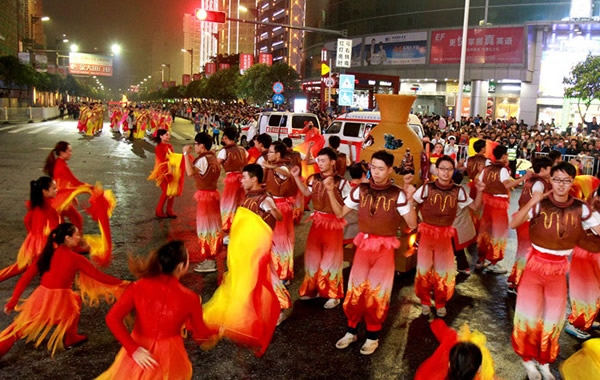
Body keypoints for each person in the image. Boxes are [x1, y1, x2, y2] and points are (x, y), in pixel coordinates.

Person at [510, 162, 600, 380]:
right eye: (557, 179)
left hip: (559, 269)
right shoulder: (540, 204)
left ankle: (545, 361)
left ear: (572, 182)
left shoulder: (582, 208)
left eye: (566, 180)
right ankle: (527, 359)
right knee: (528, 314)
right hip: (534, 266)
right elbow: (514, 223)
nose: (561, 185)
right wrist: (533, 200)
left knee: (553, 317)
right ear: (551, 180)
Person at [330, 150, 417, 355]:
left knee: (378, 292)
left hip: (385, 249)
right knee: (355, 289)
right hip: (363, 246)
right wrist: (328, 191)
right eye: (372, 167)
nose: (375, 172)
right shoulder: (360, 190)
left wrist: (411, 198)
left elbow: (412, 223)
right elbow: (341, 212)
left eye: (380, 168)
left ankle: (372, 337)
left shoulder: (398, 194)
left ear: (389, 170)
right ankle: (351, 331)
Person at [0, 223, 126, 357]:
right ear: (67, 238)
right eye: (76, 235)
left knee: (17, 330)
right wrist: (123, 283)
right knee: (73, 301)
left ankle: (71, 337)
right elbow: (100, 277)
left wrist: (13, 302)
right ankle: (70, 338)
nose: (79, 237)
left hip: (42, 297)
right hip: (60, 301)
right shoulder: (76, 259)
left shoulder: (46, 254)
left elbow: (24, 279)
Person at [97, 241, 217, 379]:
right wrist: (218, 330)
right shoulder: (191, 298)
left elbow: (112, 318)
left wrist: (133, 349)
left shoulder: (138, 287)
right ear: (181, 267)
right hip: (170, 356)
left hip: (140, 352)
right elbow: (201, 334)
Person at [412, 156, 484, 317]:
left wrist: (480, 190)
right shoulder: (426, 188)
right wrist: (416, 220)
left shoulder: (458, 190)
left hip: (445, 237)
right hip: (426, 235)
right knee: (423, 270)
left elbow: (475, 206)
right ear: (437, 170)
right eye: (442, 169)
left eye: (449, 169)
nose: (446, 172)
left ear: (453, 171)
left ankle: (440, 303)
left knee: (443, 272)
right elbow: (413, 202)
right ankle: (424, 301)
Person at [292, 148, 350, 309]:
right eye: (319, 160)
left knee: (331, 261)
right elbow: (305, 192)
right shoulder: (314, 178)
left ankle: (333, 294)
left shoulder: (343, 183)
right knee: (312, 258)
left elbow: (347, 207)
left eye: (323, 160)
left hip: (333, 224)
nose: (320, 163)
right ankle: (313, 290)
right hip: (317, 221)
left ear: (332, 162)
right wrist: (297, 177)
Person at [240, 164, 290, 325]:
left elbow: (279, 217)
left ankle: (280, 307)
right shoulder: (250, 196)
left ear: (254, 179)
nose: (242, 181)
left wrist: (274, 211)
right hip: (251, 244)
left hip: (261, 245)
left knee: (268, 277)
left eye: (245, 177)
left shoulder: (264, 199)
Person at [476, 145, 529, 273]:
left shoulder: (487, 169)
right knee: (499, 233)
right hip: (499, 204)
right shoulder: (503, 170)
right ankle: (493, 262)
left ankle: (481, 259)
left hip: (487, 202)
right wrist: (523, 178)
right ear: (504, 155)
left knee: (485, 231)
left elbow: (478, 180)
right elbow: (508, 185)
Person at [0, 177, 59, 283]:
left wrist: (32, 235)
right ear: (45, 191)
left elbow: (27, 220)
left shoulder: (37, 205)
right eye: (54, 188)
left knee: (23, 266)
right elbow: (54, 227)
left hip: (35, 243)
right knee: (23, 267)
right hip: (42, 245)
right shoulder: (48, 208)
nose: (57, 190)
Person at [507, 156, 552, 294]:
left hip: (523, 217)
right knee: (526, 253)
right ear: (543, 169)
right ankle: (519, 282)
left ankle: (516, 281)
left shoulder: (532, 180)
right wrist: (550, 193)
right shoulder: (539, 183)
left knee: (522, 252)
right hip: (528, 220)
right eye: (550, 168)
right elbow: (537, 197)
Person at [183, 132, 223, 273]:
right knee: (212, 227)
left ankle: (210, 260)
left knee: (205, 228)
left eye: (196, 144)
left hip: (206, 197)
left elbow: (189, 172)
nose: (194, 146)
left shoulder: (202, 160)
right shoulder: (213, 157)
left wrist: (185, 155)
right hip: (212, 195)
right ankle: (211, 258)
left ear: (202, 145)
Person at [565, 187, 600, 340]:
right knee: (586, 292)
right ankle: (574, 323)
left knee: (593, 292)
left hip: (593, 256)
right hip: (586, 257)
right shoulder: (591, 214)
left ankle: (586, 319)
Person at [263, 141, 298, 283]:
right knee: (275, 240)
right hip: (274, 204)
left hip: (281, 206)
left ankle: (283, 274)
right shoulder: (275, 166)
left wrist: (270, 166)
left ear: (278, 154)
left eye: (271, 152)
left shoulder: (282, 166)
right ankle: (277, 270)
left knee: (281, 241)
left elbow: (287, 174)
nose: (268, 154)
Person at [43, 141, 87, 230]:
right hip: (60, 199)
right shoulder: (62, 166)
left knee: (59, 222)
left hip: (58, 198)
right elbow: (75, 182)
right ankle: (77, 241)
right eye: (69, 151)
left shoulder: (58, 163)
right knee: (77, 219)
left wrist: (72, 196)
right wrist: (92, 188)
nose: (71, 153)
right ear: (62, 153)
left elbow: (64, 183)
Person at [217, 127, 248, 234]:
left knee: (228, 204)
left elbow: (216, 165)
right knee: (239, 202)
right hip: (243, 179)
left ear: (225, 137)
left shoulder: (224, 151)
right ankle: (239, 225)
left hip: (231, 180)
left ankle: (228, 227)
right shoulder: (242, 149)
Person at [148, 130, 179, 218]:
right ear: (161, 136)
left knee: (172, 192)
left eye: (169, 135)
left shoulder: (170, 146)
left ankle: (169, 210)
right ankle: (159, 211)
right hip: (162, 173)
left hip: (170, 172)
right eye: (166, 135)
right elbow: (163, 160)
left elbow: (172, 157)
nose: (169, 137)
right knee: (166, 192)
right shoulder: (158, 148)